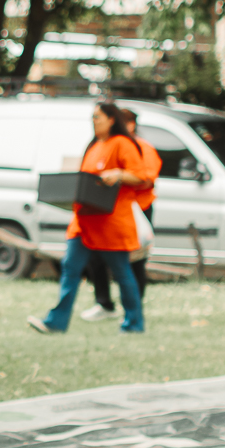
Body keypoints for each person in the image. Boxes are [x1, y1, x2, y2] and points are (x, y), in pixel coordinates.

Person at [26, 102, 149, 334]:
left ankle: (134, 324)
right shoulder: (93, 146)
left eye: (97, 117)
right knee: (70, 269)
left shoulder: (122, 144)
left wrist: (119, 174)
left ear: (111, 119)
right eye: (92, 117)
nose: (93, 121)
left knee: (122, 272)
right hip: (84, 222)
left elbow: (141, 177)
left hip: (111, 222)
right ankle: (55, 322)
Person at [82, 106, 159, 320]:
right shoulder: (103, 144)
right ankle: (104, 303)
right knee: (96, 257)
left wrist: (120, 177)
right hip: (107, 210)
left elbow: (146, 179)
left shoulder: (142, 148)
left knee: (135, 260)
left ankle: (134, 307)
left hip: (137, 208)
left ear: (130, 124)